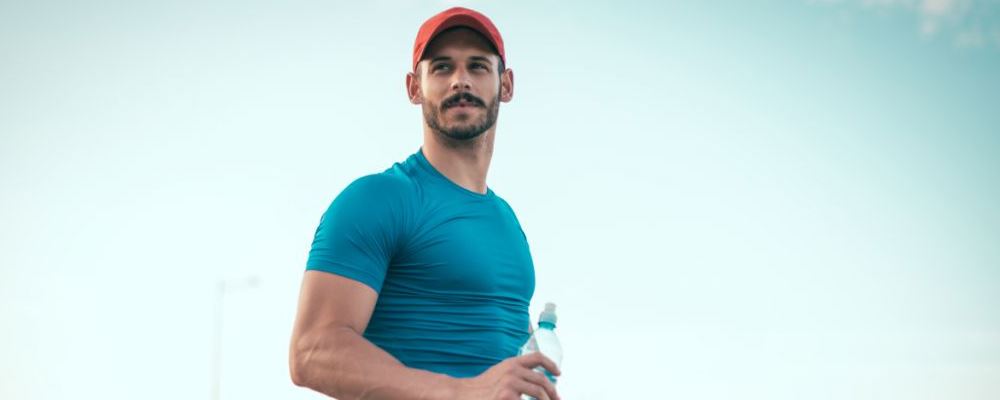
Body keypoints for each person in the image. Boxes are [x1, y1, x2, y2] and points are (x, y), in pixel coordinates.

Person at [288, 7, 561, 400]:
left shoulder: (507, 222)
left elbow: (500, 362)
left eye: (478, 66)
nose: (460, 80)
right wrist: (462, 391)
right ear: (414, 88)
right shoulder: (376, 199)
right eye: (442, 68)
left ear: (506, 85)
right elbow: (312, 351)